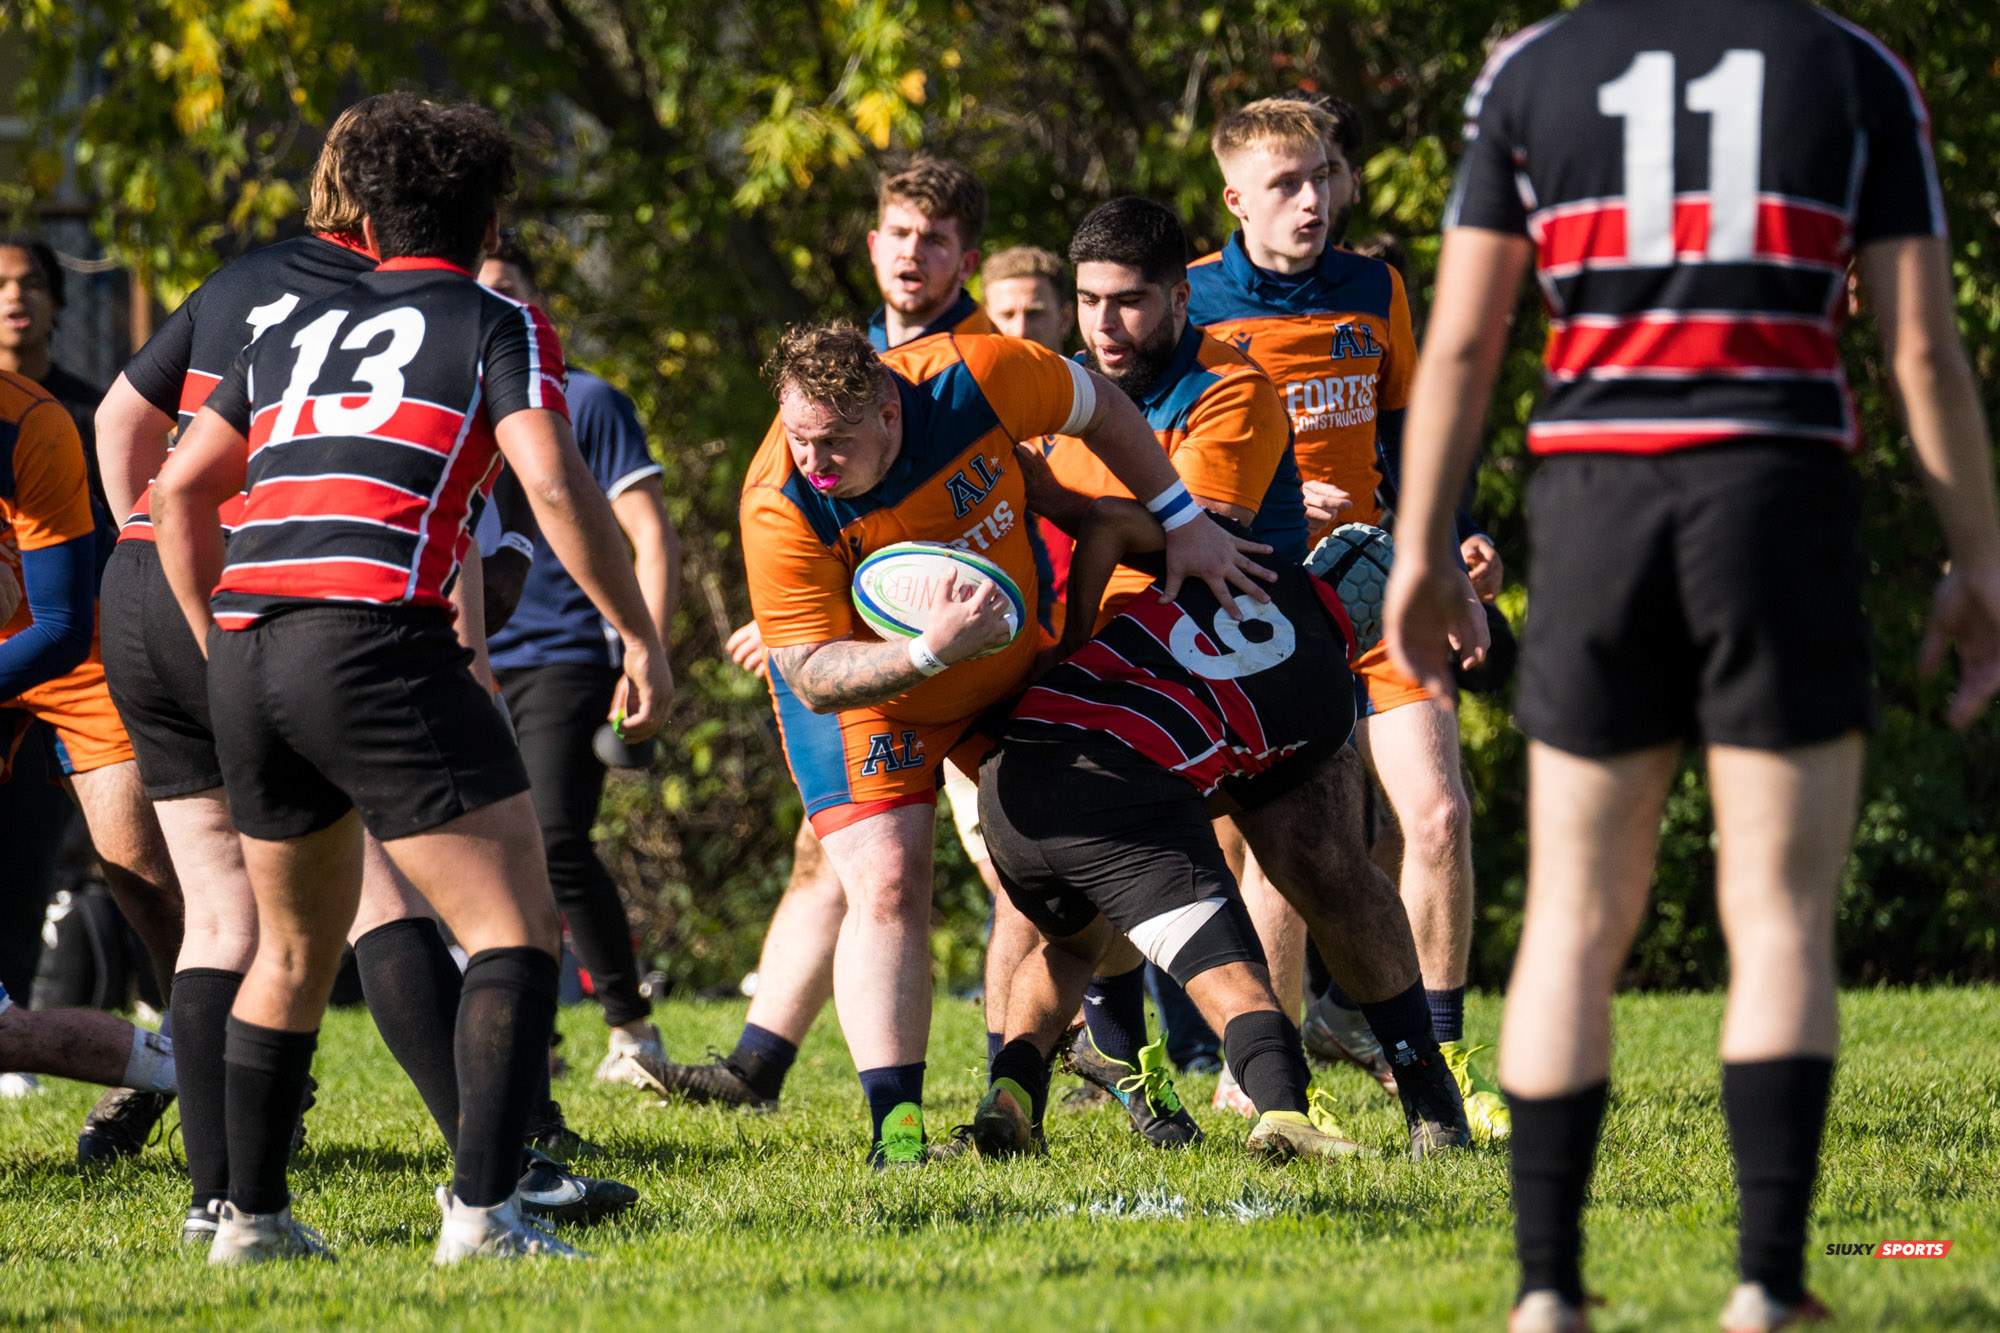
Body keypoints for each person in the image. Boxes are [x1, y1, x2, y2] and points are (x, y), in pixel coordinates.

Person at [1382, 4, 2000, 1329]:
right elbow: (1917, 347)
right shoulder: (1855, 69)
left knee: (1572, 911)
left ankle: (1546, 1292)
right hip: (1775, 489)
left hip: (1598, 500)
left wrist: (1418, 547)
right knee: (1777, 911)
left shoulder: (1532, 70)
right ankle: (1766, 1286)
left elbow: (1465, 344)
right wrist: (1980, 559)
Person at [95, 99, 627, 1243]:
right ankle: (490, 1205)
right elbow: (538, 485)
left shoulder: (279, 313)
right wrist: (636, 633)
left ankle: (240, 1213)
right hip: (364, 633)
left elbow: (167, 477)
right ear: (490, 222)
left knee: (267, 937)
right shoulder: (491, 318)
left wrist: (218, 630)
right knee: (506, 922)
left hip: (220, 624)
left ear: (367, 216)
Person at [729, 319, 1268, 1167]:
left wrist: (1180, 518)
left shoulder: (975, 376)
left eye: (833, 441)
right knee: (890, 879)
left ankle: (1033, 1085)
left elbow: (1106, 410)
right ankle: (897, 1133)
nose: (813, 461)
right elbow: (808, 672)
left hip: (1002, 668)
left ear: (889, 413)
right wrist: (928, 651)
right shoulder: (779, 501)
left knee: (1077, 849)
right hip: (874, 699)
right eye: (799, 437)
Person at [636, 160, 1026, 1115]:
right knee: (848, 856)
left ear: (966, 257)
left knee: (1023, 860)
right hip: (874, 670)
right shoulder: (840, 369)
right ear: (873, 242)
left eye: (935, 238)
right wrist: (788, 622)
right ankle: (759, 1065)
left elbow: (1038, 488)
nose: (913, 254)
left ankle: (1050, 1060)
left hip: (986, 644)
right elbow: (814, 538)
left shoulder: (977, 360)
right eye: (899, 233)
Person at [971, 495, 1468, 1161]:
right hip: (1119, 790)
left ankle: (1011, 1085)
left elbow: (1109, 518)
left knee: (1069, 948)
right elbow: (1235, 795)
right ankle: (1285, 1116)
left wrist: (1074, 640)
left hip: (1014, 769)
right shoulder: (1326, 695)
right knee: (1235, 976)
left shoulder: (1245, 554)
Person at [1188, 96, 1503, 1135]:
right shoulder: (1193, 299)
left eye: (1322, 175)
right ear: (1235, 199)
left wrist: (1453, 542)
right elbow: (1158, 452)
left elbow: (1412, 437)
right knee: (1291, 845)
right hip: (1268, 602)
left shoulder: (1374, 287)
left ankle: (1438, 1058)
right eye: (1285, 183)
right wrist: (1276, 498)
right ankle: (1269, 1069)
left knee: (1439, 815)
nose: (1311, 199)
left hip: (1379, 589)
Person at [1023, 195, 1305, 1146]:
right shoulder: (1061, 385)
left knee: (1318, 871)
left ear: (1182, 298)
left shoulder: (1231, 389)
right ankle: (1051, 1086)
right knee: (1047, 865)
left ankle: (1404, 1061)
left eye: (1130, 301)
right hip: (1099, 672)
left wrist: (1060, 502)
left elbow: (1192, 547)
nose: (1104, 324)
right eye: (1088, 300)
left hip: (1228, 669)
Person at [474, 239, 681, 1085]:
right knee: (477, 846)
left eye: (507, 289)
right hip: (468, 652)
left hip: (565, 652)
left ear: (537, 305)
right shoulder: (442, 405)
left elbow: (650, 534)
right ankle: (531, 1038)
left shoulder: (584, 401)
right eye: (476, 289)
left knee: (555, 836)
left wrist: (645, 646)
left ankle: (632, 1029)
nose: (490, 303)